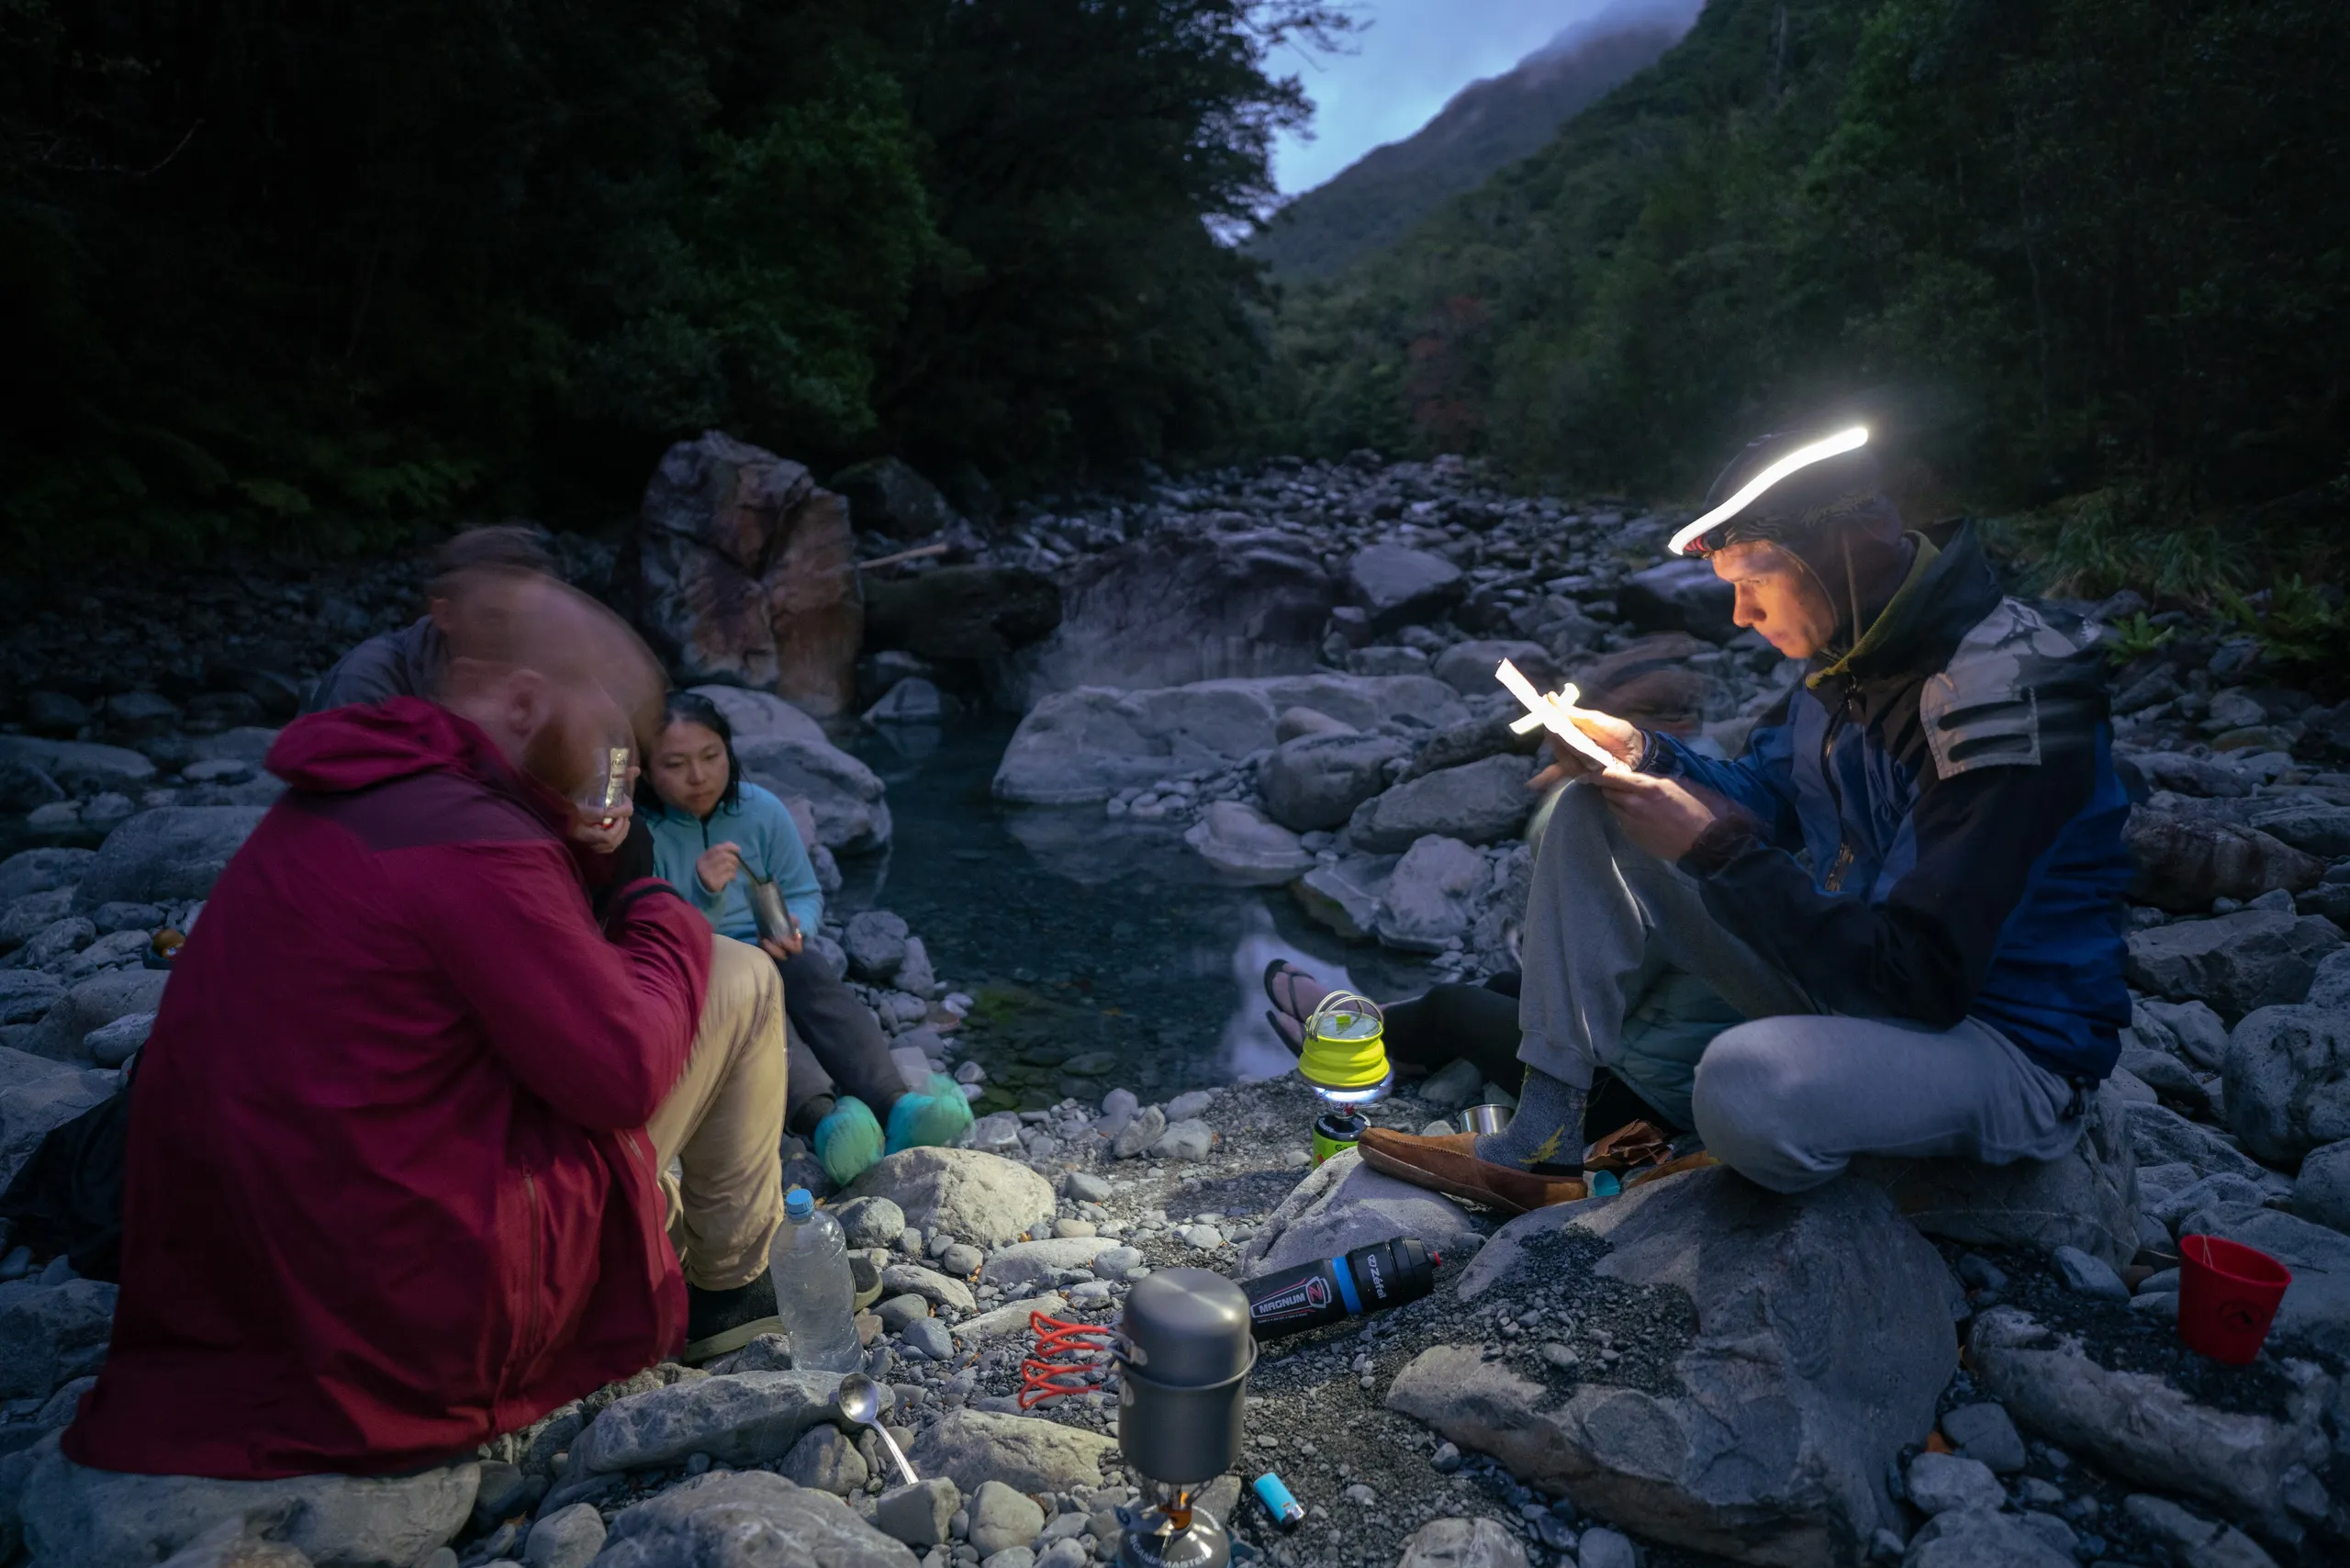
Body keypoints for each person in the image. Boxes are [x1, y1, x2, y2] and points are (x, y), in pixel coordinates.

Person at [62, 573, 790, 1484]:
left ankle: (675, 1239)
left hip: (243, 1298)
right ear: (527, 700)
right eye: (611, 744)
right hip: (408, 1335)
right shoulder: (475, 838)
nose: (620, 773)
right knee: (739, 973)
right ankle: (725, 1290)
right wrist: (649, 897)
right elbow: (626, 1072)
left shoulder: (351, 795)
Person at [1358, 428, 2134, 1214]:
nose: (1739, 615)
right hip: (1857, 983)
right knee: (1601, 805)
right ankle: (1543, 1135)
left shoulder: (1998, 698)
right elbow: (1771, 792)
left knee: (1742, 1085)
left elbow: (1924, 982)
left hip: (1998, 1041)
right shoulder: (1859, 654)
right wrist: (1643, 751)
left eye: (1754, 579)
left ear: (1843, 549)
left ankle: (1871, 1175)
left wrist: (1713, 850)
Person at [640, 690, 970, 1185]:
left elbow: (803, 892)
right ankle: (825, 1124)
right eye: (676, 764)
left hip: (772, 949)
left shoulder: (761, 811)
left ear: (729, 751)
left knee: (812, 972)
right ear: (644, 771)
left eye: (711, 757)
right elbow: (647, 933)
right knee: (761, 1005)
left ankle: (899, 1107)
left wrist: (798, 928)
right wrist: (700, 890)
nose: (699, 776)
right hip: (699, 971)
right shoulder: (644, 833)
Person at [301, 523, 557, 713]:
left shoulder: (556, 669)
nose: (516, 636)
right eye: (494, 619)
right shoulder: (370, 680)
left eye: (531, 618)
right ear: (444, 614)